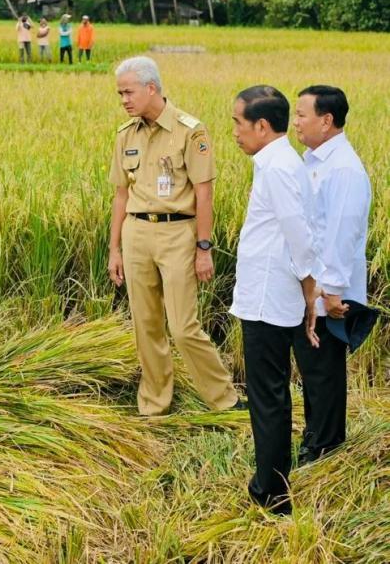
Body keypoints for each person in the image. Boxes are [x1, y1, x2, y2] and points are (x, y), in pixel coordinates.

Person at [108, 56, 242, 417]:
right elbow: (121, 194)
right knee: (146, 324)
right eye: (120, 93)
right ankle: (155, 404)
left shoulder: (190, 131)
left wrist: (203, 247)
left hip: (177, 234)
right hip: (137, 233)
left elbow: (204, 194)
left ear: (151, 88)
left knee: (183, 327)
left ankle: (224, 400)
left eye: (128, 92)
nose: (124, 100)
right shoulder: (126, 135)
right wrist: (114, 248)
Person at [229, 85, 321, 515]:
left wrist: (309, 288)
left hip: (269, 298)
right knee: (273, 392)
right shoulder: (280, 161)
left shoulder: (278, 167)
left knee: (268, 395)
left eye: (238, 123)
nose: (234, 132)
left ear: (262, 126)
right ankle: (272, 480)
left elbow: (298, 232)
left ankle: (271, 492)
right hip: (269, 293)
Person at [292, 85, 371, 465]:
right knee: (313, 367)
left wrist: (334, 291)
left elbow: (343, 230)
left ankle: (324, 447)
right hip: (315, 287)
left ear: (326, 121)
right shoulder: (316, 161)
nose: (295, 123)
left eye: (301, 115)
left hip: (328, 292)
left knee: (323, 371)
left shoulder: (343, 168)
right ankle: (316, 437)